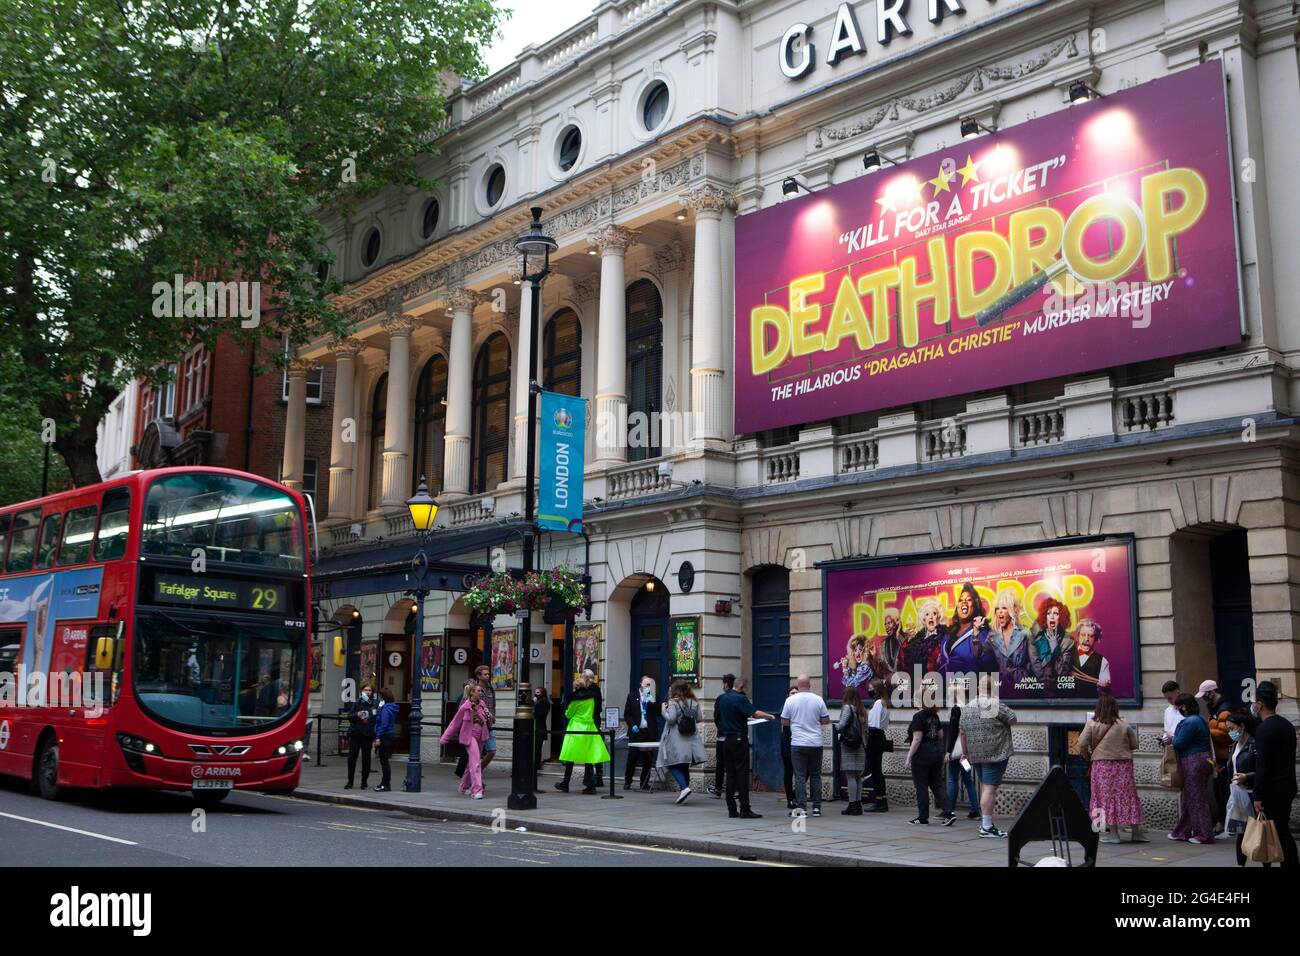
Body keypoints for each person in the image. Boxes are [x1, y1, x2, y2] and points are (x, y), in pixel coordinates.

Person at [1077, 693, 1145, 843]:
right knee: (1128, 797)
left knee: (1102, 797)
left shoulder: (1092, 723)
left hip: (1102, 765)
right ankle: (1136, 833)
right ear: (1115, 707)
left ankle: (1110, 834)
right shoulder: (1124, 723)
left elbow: (1081, 743)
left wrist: (1088, 756)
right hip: (1123, 765)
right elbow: (1134, 744)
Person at [1248, 681, 1298, 867]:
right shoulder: (1286, 725)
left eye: (1254, 702)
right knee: (1281, 831)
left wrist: (1258, 795)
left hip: (1272, 789)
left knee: (1276, 832)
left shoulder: (1265, 729)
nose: (1253, 705)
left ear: (1259, 704)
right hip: (1286, 785)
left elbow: (1263, 766)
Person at [959, 693, 1018, 838]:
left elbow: (962, 732)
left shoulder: (967, 707)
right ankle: (986, 826)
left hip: (976, 754)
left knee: (986, 787)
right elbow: (1013, 719)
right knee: (990, 789)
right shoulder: (994, 703)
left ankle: (986, 824)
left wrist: (965, 752)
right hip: (995, 753)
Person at [716, 675, 775, 819]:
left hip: (726, 739)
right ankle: (745, 808)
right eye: (746, 688)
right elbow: (755, 713)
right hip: (738, 738)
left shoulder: (722, 698)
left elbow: (719, 717)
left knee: (730, 774)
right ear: (741, 687)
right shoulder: (740, 698)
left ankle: (731, 809)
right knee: (742, 773)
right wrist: (769, 716)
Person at [1168, 692, 1215, 844]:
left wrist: (1170, 738)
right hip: (1201, 759)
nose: (1178, 710)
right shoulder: (1200, 718)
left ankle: (1204, 834)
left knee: (1196, 798)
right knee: (1189, 797)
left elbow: (1179, 742)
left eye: (1179, 707)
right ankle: (1184, 830)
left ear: (1185, 707)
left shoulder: (1190, 722)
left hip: (1193, 761)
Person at [781, 674, 830, 817]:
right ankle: (816, 808)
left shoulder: (790, 700)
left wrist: (797, 723)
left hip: (797, 743)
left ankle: (801, 808)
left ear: (798, 684)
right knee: (815, 775)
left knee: (800, 776)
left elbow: (783, 721)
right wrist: (814, 721)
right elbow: (826, 720)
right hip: (815, 743)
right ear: (809, 685)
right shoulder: (818, 699)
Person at [905, 683, 953, 826]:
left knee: (921, 785)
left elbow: (917, 738)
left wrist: (909, 757)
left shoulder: (918, 717)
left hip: (922, 755)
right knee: (937, 784)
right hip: (936, 753)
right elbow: (940, 735)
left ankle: (923, 817)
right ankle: (949, 812)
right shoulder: (935, 716)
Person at [554, 672, 610, 794]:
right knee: (588, 757)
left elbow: (568, 714)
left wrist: (568, 710)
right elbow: (595, 710)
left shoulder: (575, 700)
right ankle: (591, 786)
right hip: (589, 727)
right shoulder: (591, 698)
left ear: (575, 687)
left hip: (576, 728)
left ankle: (565, 783)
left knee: (570, 757)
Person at [657, 679, 707, 804]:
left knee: (671, 764)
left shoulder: (673, 703)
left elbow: (671, 719)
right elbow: (699, 718)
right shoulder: (694, 702)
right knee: (684, 765)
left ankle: (684, 788)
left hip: (676, 739)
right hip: (690, 739)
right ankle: (684, 790)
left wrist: (663, 710)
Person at [440, 680, 490, 799]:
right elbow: (454, 723)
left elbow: (489, 720)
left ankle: (463, 786)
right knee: (476, 762)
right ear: (472, 693)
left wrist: (489, 716)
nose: (481, 693)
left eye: (481, 691)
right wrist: (444, 738)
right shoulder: (465, 707)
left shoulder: (482, 704)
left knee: (471, 763)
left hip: (481, 736)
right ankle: (477, 790)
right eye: (478, 691)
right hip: (469, 736)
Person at [937, 583, 996, 683]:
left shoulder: (983, 631)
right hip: (946, 689)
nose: (964, 602)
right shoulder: (949, 631)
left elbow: (988, 665)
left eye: (969, 600)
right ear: (957, 606)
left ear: (975, 605)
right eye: (961, 600)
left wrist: (976, 636)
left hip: (969, 689)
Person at [1224, 710, 1259, 866]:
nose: (1230, 732)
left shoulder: (1253, 745)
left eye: (1232, 728)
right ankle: (1241, 864)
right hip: (1238, 793)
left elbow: (1262, 770)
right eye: (1228, 729)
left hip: (1252, 793)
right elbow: (1233, 767)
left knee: (1259, 831)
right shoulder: (1234, 746)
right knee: (1241, 832)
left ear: (1242, 727)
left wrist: (1247, 776)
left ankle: (1265, 860)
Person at [1197, 679, 1232, 830]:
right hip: (1218, 755)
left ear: (1212, 692)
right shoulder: (1216, 708)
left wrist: (1207, 731)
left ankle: (1225, 821)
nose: (1204, 698)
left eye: (1205, 695)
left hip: (1223, 755)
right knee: (1219, 791)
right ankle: (1223, 820)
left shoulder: (1223, 709)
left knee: (1223, 790)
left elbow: (1226, 733)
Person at [987, 588, 1031, 696]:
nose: (1000, 611)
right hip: (1000, 688)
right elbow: (983, 662)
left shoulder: (1025, 633)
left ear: (1013, 610)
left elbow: (1034, 663)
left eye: (1004, 608)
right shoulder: (992, 637)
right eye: (997, 608)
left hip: (1022, 686)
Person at [1028, 596, 1075, 696]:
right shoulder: (1035, 636)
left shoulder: (1068, 641)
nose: (1052, 617)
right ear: (1045, 617)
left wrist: (1055, 647)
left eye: (1056, 613)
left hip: (1059, 691)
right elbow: (1035, 666)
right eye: (1048, 613)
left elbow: (1062, 672)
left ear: (1061, 617)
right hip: (1038, 690)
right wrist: (1044, 687)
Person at [836, 685, 868, 815]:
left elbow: (841, 726)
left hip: (849, 746)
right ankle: (858, 804)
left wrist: (835, 726)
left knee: (850, 776)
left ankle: (852, 804)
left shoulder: (847, 708)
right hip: (860, 745)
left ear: (846, 695)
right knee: (857, 776)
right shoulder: (862, 709)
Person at [623, 676, 659, 792]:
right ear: (640, 684)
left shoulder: (651, 696)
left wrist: (650, 698)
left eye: (649, 685)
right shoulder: (632, 696)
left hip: (649, 732)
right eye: (646, 685)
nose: (648, 687)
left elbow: (658, 711)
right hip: (637, 732)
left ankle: (644, 782)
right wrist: (632, 724)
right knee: (632, 758)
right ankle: (628, 781)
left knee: (647, 759)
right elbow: (627, 714)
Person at [945, 703, 979, 820]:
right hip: (966, 753)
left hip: (957, 753)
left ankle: (949, 810)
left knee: (953, 779)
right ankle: (975, 810)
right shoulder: (970, 708)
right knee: (968, 780)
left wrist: (949, 751)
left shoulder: (955, 709)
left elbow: (954, 732)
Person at [862, 679, 891, 812]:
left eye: (871, 688)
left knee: (875, 770)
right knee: (876, 770)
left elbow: (873, 723)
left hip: (875, 736)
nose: (869, 690)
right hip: (879, 736)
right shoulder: (883, 703)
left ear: (877, 689)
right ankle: (881, 799)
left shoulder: (879, 703)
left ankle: (880, 800)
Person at [344, 682, 377, 790]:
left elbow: (376, 718)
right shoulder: (357, 703)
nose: (368, 692)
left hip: (367, 734)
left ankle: (364, 781)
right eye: (366, 690)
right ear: (362, 691)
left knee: (366, 759)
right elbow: (350, 717)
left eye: (370, 690)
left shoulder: (374, 703)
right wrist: (357, 715)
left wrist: (370, 716)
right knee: (352, 758)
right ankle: (350, 781)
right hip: (356, 734)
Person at [1069, 619, 1111, 696]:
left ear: (1096, 638)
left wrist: (1103, 683)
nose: (1086, 639)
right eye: (1083, 635)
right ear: (1078, 636)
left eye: (1091, 636)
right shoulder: (1067, 655)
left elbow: (1105, 684)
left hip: (1091, 704)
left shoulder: (1102, 661)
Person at [372, 688, 398, 793]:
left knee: (384, 762)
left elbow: (384, 724)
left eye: (380, 696)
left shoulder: (386, 708)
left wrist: (378, 737)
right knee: (384, 761)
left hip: (384, 736)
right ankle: (384, 783)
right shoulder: (391, 707)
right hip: (388, 735)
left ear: (383, 697)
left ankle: (385, 784)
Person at [780, 683, 798, 810]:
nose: (794, 695)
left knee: (804, 771)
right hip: (787, 741)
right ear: (788, 696)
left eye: (797, 693)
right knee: (789, 771)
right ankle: (790, 798)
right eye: (792, 693)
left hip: (800, 741)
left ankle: (796, 793)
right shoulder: (785, 707)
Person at [532, 686, 551, 794]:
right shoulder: (537, 701)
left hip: (539, 728)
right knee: (535, 748)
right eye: (535, 692)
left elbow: (542, 714)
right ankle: (534, 766)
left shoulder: (544, 702)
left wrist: (536, 704)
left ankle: (536, 765)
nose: (536, 694)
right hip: (535, 727)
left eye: (538, 692)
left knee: (537, 749)